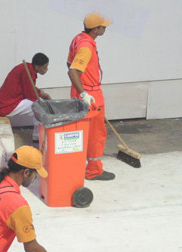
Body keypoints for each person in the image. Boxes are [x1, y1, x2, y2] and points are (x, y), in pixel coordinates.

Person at [67, 13, 115, 181]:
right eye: (103, 26)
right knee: (96, 134)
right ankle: (94, 171)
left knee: (80, 132)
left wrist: (79, 91)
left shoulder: (78, 39)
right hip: (90, 94)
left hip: (80, 91)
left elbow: (69, 63)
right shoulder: (86, 47)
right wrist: (85, 94)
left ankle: (76, 166)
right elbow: (72, 70)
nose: (105, 28)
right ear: (95, 29)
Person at [0, 53, 51, 144]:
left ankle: (38, 135)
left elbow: (30, 88)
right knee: (39, 107)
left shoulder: (28, 68)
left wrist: (41, 93)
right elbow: (30, 94)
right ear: (37, 66)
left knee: (39, 104)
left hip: (6, 102)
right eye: (45, 67)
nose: (46, 70)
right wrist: (41, 94)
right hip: (6, 106)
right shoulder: (26, 71)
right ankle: (37, 137)